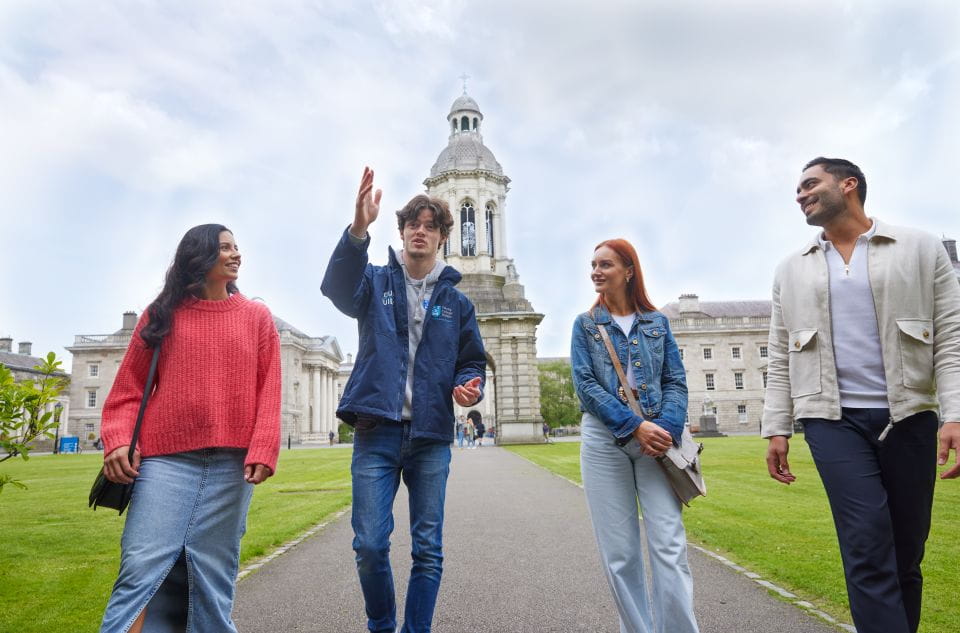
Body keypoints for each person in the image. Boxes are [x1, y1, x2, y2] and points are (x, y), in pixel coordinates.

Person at [763, 157, 960, 633]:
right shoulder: (791, 269)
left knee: (906, 552)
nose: (800, 195)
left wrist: (953, 414)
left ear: (848, 185)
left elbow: (951, 336)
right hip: (832, 421)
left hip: (910, 415)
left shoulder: (920, 247)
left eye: (810, 184)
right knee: (868, 543)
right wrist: (776, 427)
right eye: (798, 189)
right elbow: (778, 354)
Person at [321, 166, 486, 633]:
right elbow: (336, 288)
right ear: (402, 231)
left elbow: (472, 362)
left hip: (431, 436)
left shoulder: (458, 303)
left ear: (441, 238)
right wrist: (358, 229)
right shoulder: (374, 282)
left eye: (430, 225)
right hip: (376, 432)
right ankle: (381, 625)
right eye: (413, 223)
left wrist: (470, 385)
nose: (420, 230)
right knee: (370, 545)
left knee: (427, 548)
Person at [99, 224, 281, 633]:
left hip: (232, 466)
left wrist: (264, 447)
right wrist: (119, 440)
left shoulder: (256, 316)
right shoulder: (161, 313)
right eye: (225, 248)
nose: (236, 254)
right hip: (164, 462)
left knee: (212, 580)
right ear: (199, 256)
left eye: (237, 247)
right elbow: (127, 388)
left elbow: (269, 389)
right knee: (140, 568)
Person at [571, 239, 699, 633]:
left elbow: (675, 381)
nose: (596, 271)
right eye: (593, 264)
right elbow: (586, 386)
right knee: (621, 555)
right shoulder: (585, 324)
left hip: (657, 441)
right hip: (605, 441)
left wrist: (666, 429)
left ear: (628, 271)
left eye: (605, 264)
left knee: (669, 545)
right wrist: (633, 426)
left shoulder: (656, 322)